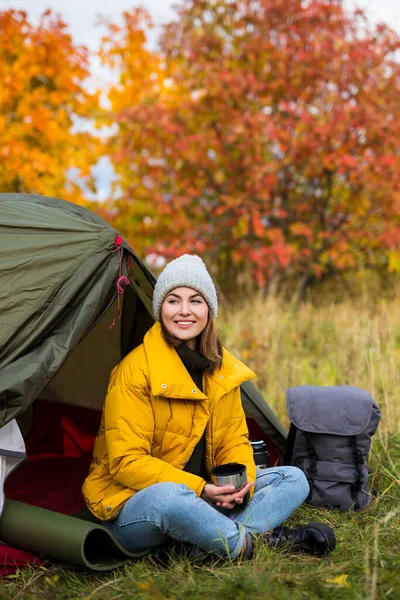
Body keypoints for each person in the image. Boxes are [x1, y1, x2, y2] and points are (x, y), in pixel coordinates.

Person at [83, 255, 335, 560]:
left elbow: (235, 441)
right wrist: (201, 489)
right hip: (135, 504)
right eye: (173, 300)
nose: (185, 311)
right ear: (160, 308)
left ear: (209, 311)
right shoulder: (134, 372)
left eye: (196, 301)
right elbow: (127, 463)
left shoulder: (221, 371)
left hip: (206, 497)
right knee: (171, 498)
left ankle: (197, 546)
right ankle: (251, 544)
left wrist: (241, 487)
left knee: (292, 479)